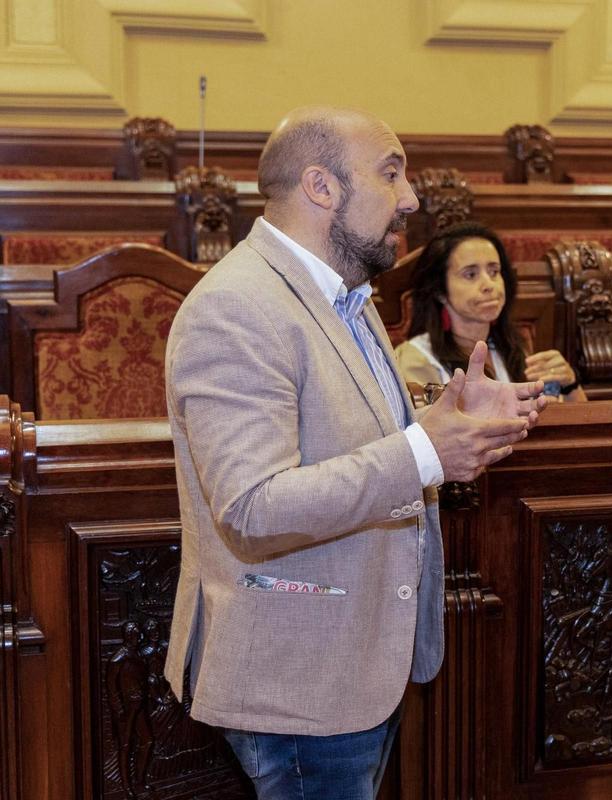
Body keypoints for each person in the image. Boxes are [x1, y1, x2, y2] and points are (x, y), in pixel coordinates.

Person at [162, 106, 547, 800]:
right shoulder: (238, 307)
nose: (411, 198)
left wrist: (445, 421)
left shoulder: (348, 294)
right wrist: (426, 451)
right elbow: (253, 506)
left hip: (356, 659)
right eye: (391, 173)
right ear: (321, 187)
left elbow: (355, 439)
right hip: (298, 680)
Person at [396, 222, 587, 402]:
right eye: (471, 275)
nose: (489, 285)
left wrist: (569, 385)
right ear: (439, 291)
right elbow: (430, 432)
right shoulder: (416, 360)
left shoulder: (510, 347)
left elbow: (579, 426)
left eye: (494, 272)